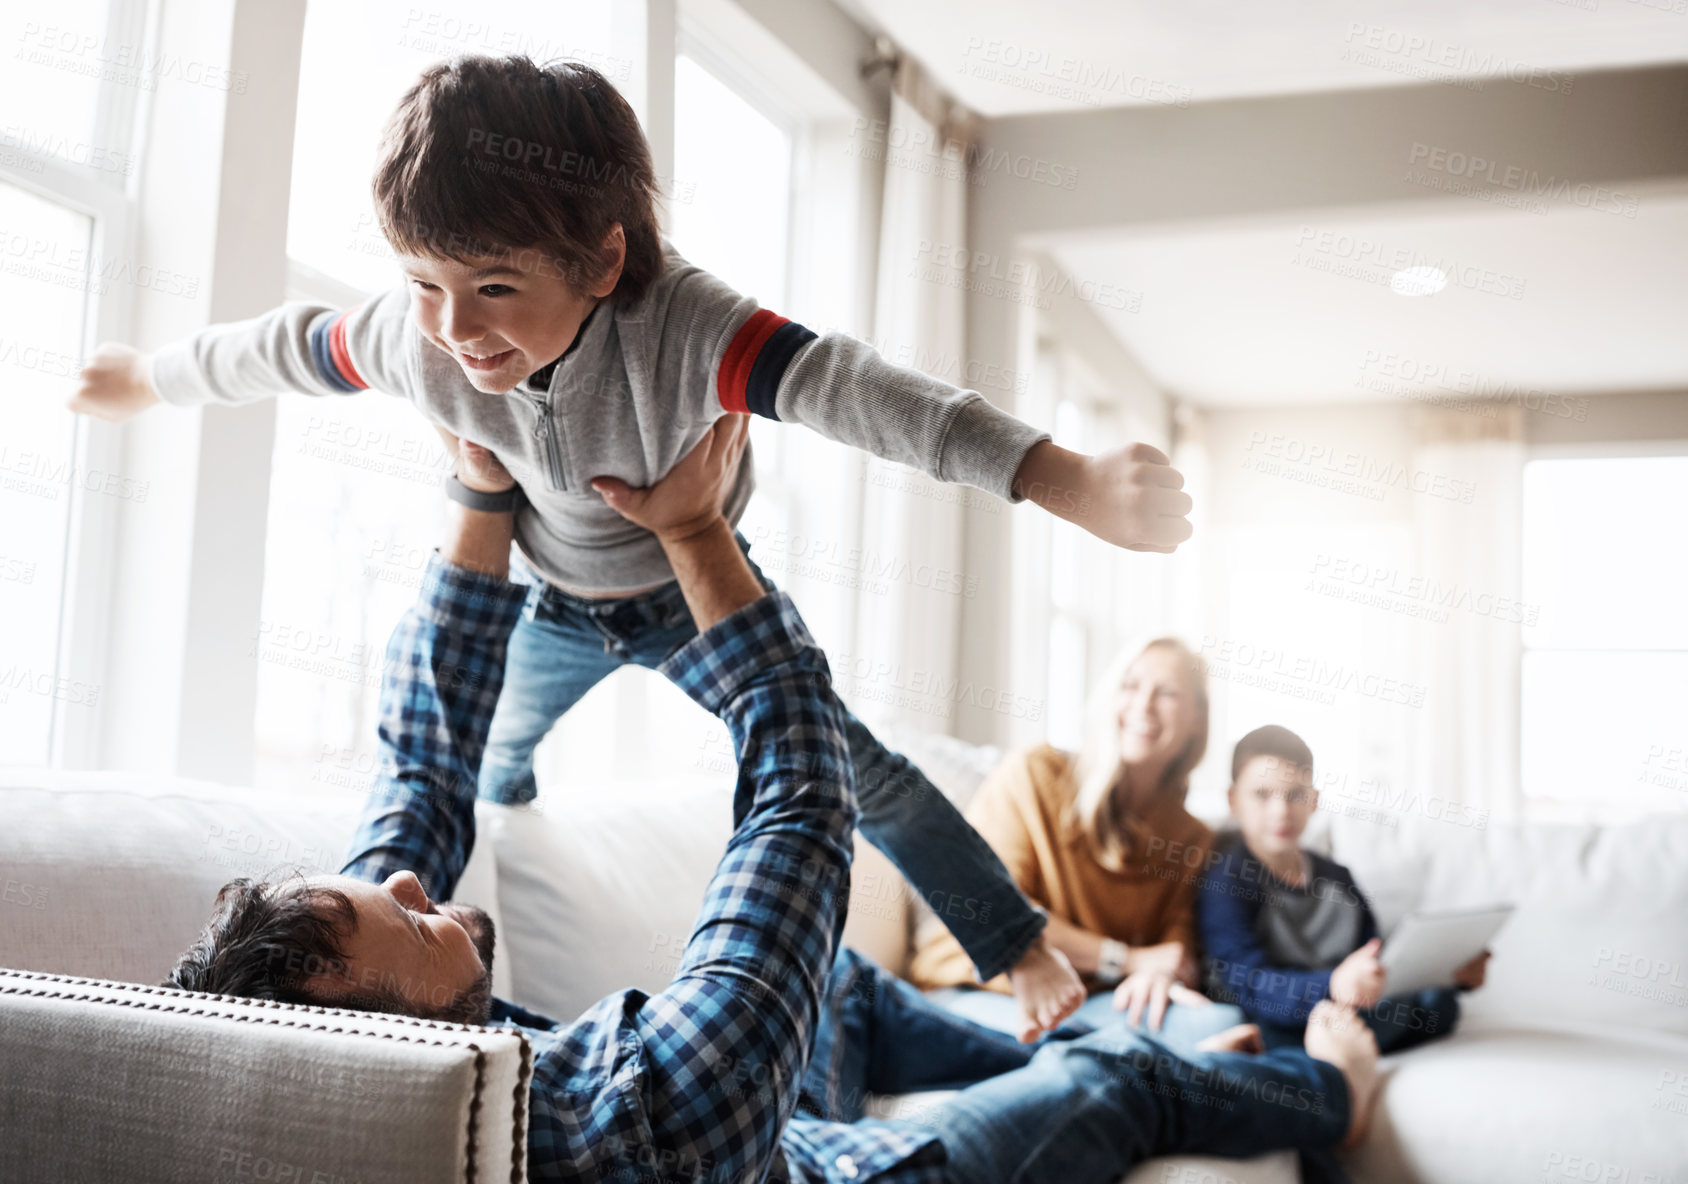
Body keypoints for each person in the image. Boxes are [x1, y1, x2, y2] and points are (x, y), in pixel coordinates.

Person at [69, 53, 1205, 1039]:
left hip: (684, 591)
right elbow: (277, 348)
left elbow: (870, 394)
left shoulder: (687, 329)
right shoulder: (414, 337)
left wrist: (1061, 476)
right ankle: (506, 822)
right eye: (424, 283)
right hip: (546, 598)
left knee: (862, 771)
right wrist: (146, 377)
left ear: (604, 263)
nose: (455, 329)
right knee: (485, 766)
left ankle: (1019, 948)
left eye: (495, 287)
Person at [166, 424, 1381, 1183]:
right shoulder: (631, 1120)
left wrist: (482, 490)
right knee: (1112, 1077)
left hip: (776, 1120)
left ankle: (1140, 1038)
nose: (407, 882)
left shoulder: (353, 1047)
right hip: (823, 1166)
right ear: (374, 1028)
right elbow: (802, 801)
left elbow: (420, 770)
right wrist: (697, 537)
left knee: (846, 989)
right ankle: (1331, 1087)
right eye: (394, 915)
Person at [908, 638, 1246, 1050]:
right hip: (980, 991)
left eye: (1167, 693)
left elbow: (1176, 946)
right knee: (1126, 1053)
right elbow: (995, 908)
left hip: (1085, 1005)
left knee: (1218, 1025)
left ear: (1197, 717)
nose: (1143, 705)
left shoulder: (1192, 838)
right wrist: (1128, 960)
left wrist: (1158, 974)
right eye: (1130, 685)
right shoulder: (1034, 775)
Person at [1197, 725, 1489, 1053]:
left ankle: (1359, 1037)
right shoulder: (1228, 881)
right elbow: (1248, 983)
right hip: (1280, 1018)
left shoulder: (1338, 877)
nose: (1281, 810)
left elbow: (1374, 956)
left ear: (1314, 800)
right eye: (1262, 795)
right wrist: (1333, 985)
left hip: (1351, 1010)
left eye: (1295, 795)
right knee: (1264, 1029)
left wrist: (1447, 972)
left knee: (1440, 1004)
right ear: (1232, 801)